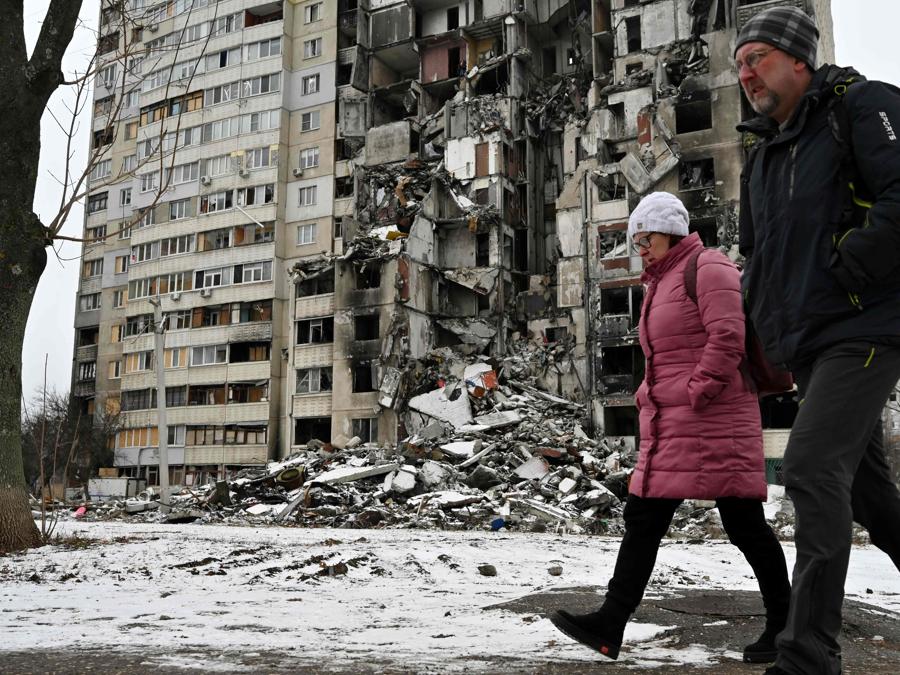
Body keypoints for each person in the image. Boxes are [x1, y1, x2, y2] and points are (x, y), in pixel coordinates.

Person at [550, 192, 790, 664]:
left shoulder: (709, 266)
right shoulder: (659, 282)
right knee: (643, 519)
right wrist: (653, 394)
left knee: (744, 525)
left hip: (716, 419)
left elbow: (727, 335)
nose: (639, 246)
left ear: (672, 232)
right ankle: (610, 623)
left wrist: (699, 389)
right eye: (635, 238)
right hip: (673, 420)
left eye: (647, 236)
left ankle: (786, 624)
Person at [734, 7, 900, 675]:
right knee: (868, 496)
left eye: (760, 58)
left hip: (865, 325)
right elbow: (757, 257)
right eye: (740, 65)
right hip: (808, 342)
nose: (746, 73)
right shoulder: (765, 154)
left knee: (807, 466)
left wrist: (850, 265)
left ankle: (807, 655)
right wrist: (762, 338)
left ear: (800, 59)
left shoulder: (861, 106)